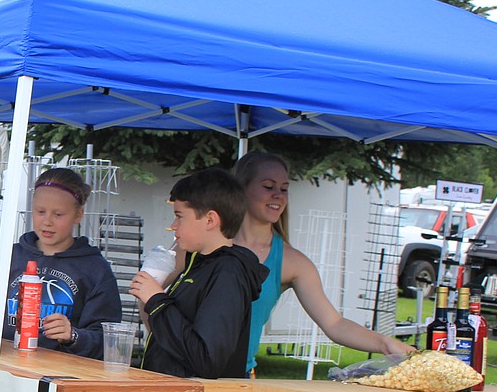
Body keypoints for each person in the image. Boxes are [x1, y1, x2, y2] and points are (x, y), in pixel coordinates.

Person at [232, 151, 412, 375]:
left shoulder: (292, 261)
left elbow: (335, 324)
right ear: (241, 189)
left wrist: (385, 344)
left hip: (237, 378)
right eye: (268, 187)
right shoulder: (209, 242)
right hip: (185, 371)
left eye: (284, 189)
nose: (278, 195)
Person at [130, 168, 268, 379]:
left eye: (179, 217)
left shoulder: (228, 273)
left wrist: (157, 301)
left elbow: (206, 359)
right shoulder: (198, 265)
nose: (173, 226)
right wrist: (150, 301)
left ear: (210, 220)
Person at [2, 167, 122, 357]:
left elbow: (108, 341)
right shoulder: (7, 258)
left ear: (78, 215)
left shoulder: (95, 269)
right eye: (40, 211)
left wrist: (74, 336)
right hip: (4, 370)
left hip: (61, 378)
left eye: (58, 215)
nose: (47, 221)